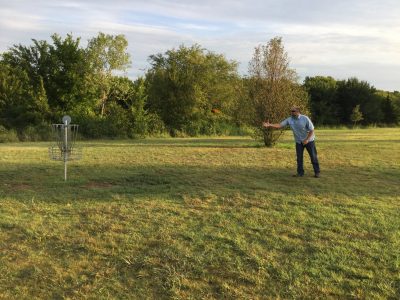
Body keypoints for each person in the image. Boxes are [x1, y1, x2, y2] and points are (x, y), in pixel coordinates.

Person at [263, 107, 320, 178]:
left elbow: (312, 130)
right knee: (299, 158)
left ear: (298, 111)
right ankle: (300, 173)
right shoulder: (289, 119)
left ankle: (317, 172)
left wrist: (307, 140)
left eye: (293, 111)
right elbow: (280, 125)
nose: (292, 112)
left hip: (309, 140)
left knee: (313, 157)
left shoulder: (305, 118)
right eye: (291, 111)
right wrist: (270, 125)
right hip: (299, 142)